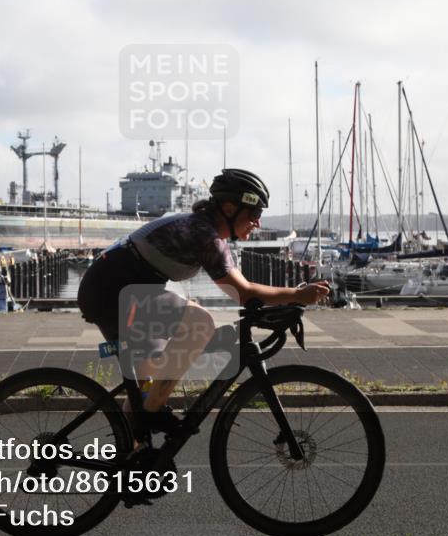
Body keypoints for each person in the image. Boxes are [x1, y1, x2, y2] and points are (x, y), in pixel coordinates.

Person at [77, 168, 330, 432]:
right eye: (254, 214)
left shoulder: (203, 229)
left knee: (145, 390)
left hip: (111, 289)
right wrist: (299, 295)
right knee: (200, 322)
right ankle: (150, 415)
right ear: (230, 208)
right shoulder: (204, 235)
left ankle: (132, 458)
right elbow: (243, 292)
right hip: (113, 291)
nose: (258, 223)